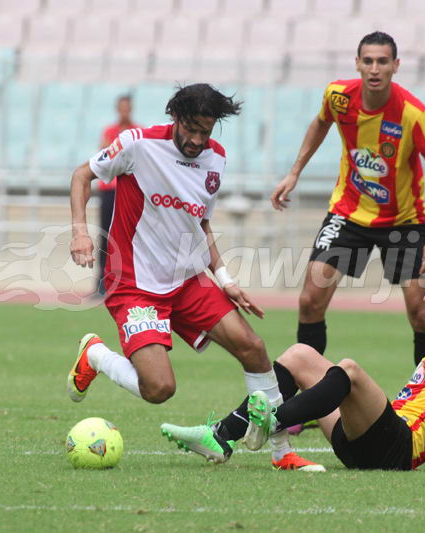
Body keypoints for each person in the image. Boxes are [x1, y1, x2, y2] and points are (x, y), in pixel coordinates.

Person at [67, 83, 323, 472]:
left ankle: (280, 451)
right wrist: (80, 231)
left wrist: (224, 278)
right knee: (160, 389)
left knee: (253, 347)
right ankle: (97, 355)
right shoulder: (138, 144)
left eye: (206, 131)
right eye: (191, 129)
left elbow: (200, 223)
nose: (197, 140)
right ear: (176, 118)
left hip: (188, 280)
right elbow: (82, 176)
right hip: (135, 284)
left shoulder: (216, 159)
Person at [162, 263, 425, 474]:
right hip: (364, 443)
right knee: (301, 354)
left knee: (349, 370)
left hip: (397, 449)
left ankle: (273, 420)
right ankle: (223, 434)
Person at [270, 31, 425, 368]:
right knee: (310, 300)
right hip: (348, 214)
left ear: (395, 66)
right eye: (368, 61)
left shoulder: (414, 114)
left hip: (403, 221)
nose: (374, 68)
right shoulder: (339, 96)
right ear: (357, 63)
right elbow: (320, 122)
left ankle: (423, 403)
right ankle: (310, 394)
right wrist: (294, 171)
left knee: (421, 313)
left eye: (382, 61)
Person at [96, 95, 140, 296]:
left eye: (126, 108)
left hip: (128, 191)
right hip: (109, 190)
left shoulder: (137, 132)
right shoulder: (110, 131)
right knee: (105, 236)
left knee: (129, 238)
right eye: (121, 108)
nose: (124, 111)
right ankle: (101, 283)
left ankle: (127, 283)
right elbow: (103, 158)